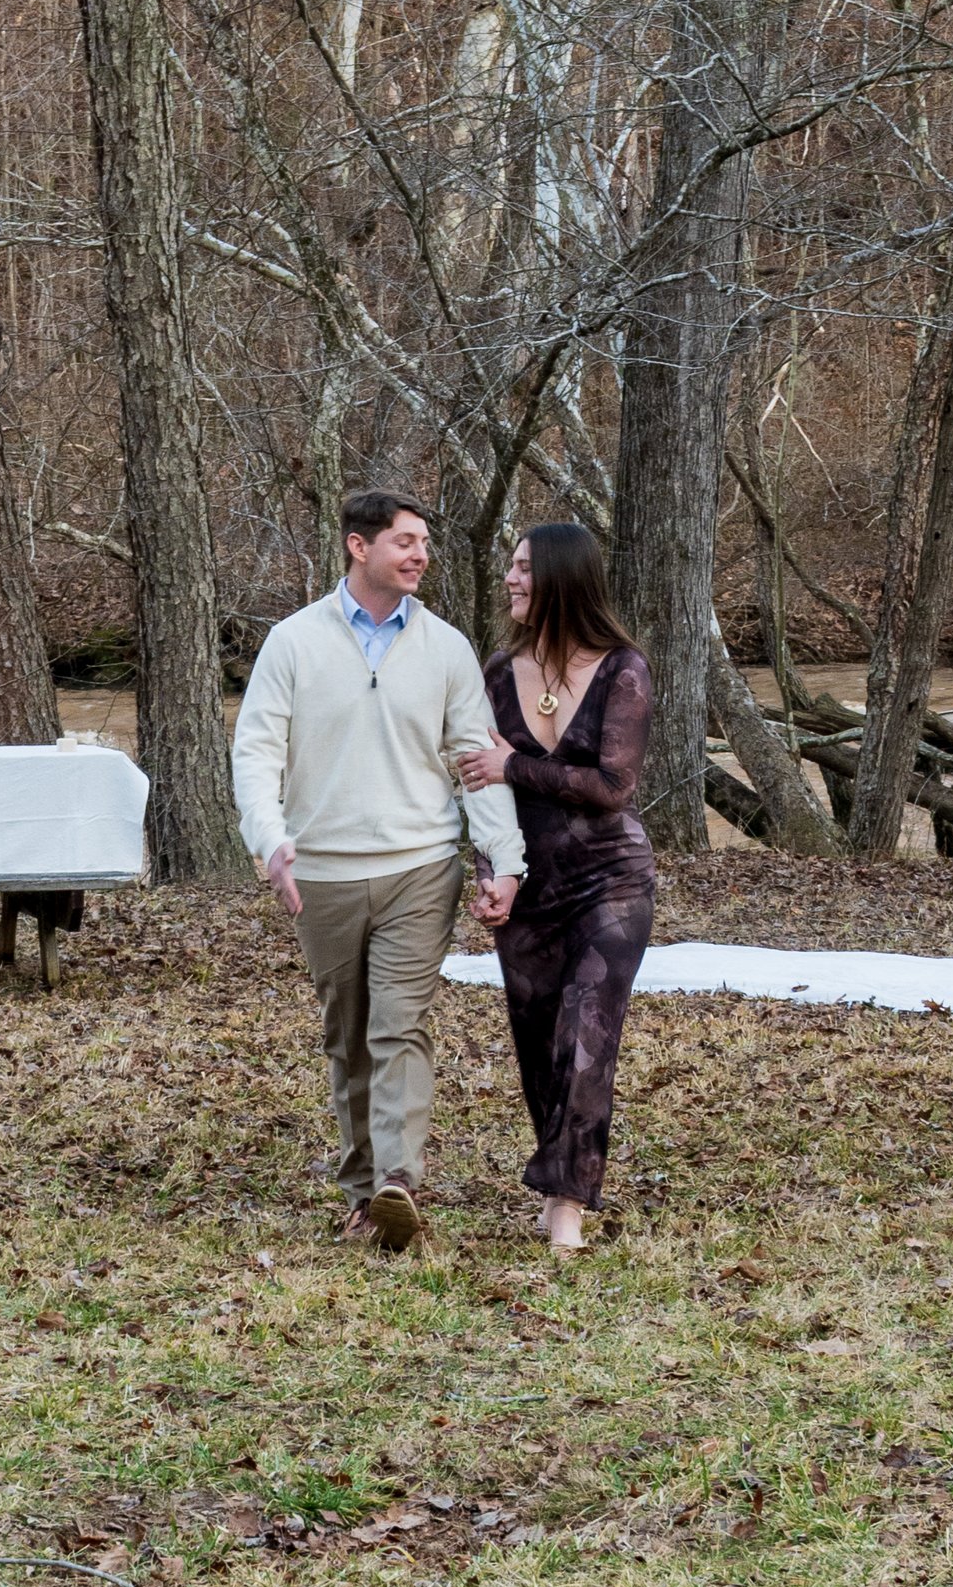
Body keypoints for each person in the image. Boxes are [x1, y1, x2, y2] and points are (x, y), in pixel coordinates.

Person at [233, 490, 524, 1251]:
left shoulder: (447, 647)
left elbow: (476, 763)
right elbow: (257, 753)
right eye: (404, 540)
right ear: (358, 547)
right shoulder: (293, 642)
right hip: (321, 872)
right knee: (349, 1035)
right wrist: (270, 841)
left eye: (424, 540)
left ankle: (397, 1180)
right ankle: (363, 1192)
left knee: (400, 1026)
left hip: (420, 868)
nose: (420, 553)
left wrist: (501, 860)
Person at [456, 524, 655, 1254]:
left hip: (611, 880)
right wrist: (490, 874)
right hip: (529, 883)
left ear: (563, 580)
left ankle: (570, 1198)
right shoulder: (497, 671)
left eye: (523, 570)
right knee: (538, 1038)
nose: (510, 580)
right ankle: (558, 1170)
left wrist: (516, 765)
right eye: (509, 566)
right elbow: (480, 789)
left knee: (587, 1032)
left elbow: (612, 786)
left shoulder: (622, 669)